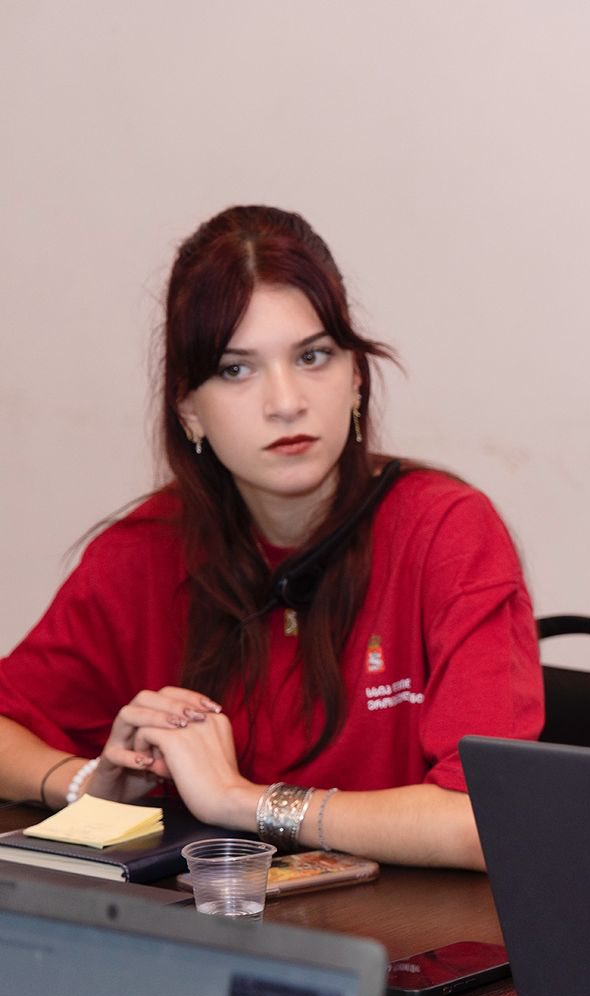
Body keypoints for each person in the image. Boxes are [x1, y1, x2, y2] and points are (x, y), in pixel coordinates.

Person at [0, 206, 542, 870]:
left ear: (356, 377)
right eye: (236, 369)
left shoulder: (448, 533)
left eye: (313, 356)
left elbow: (490, 821)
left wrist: (242, 802)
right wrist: (86, 787)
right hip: (204, 926)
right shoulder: (142, 551)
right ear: (188, 408)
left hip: (409, 930)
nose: (285, 403)